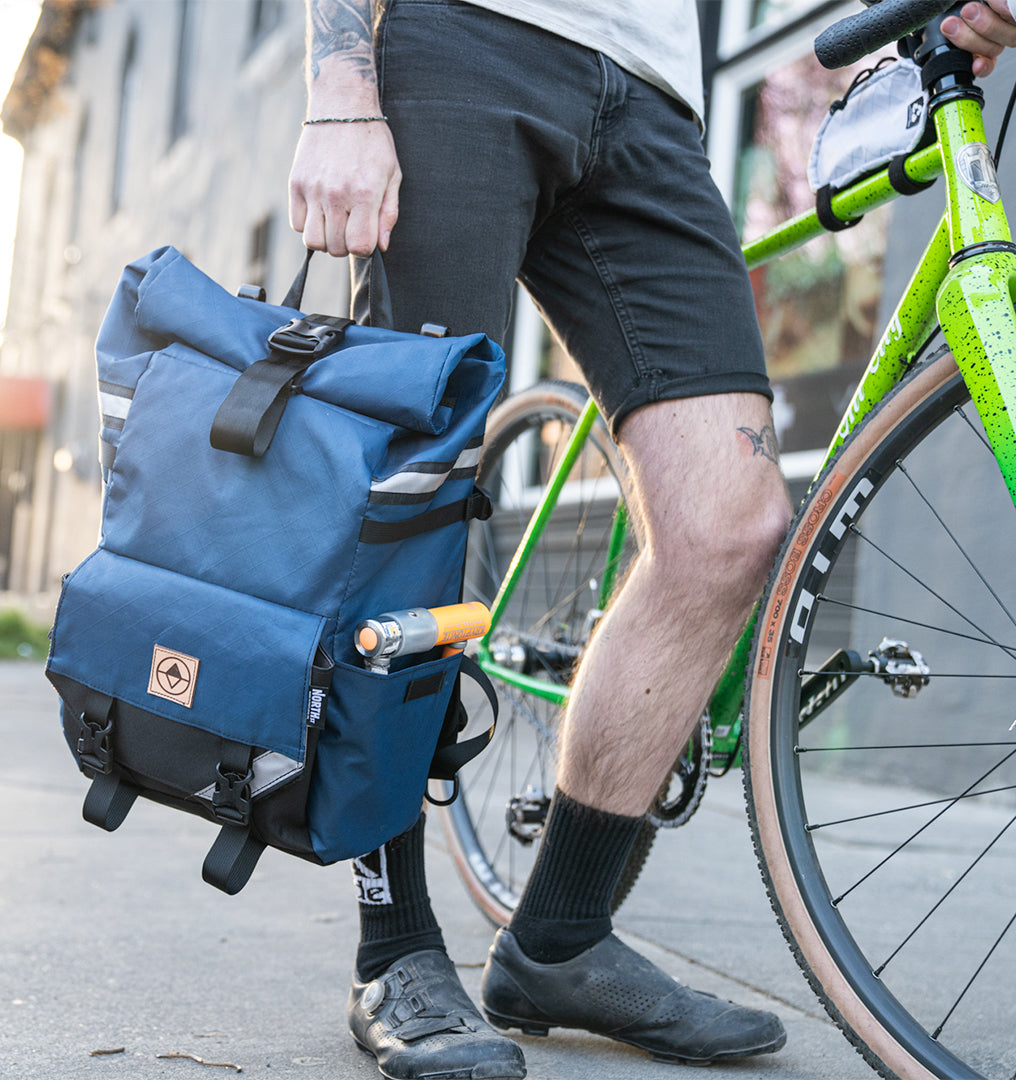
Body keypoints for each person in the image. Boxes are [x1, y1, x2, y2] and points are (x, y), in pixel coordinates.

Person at [288, 2, 1016, 1077]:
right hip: (455, 38)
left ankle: (560, 941)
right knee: (415, 504)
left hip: (651, 92)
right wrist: (342, 88)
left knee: (731, 527)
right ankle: (392, 945)